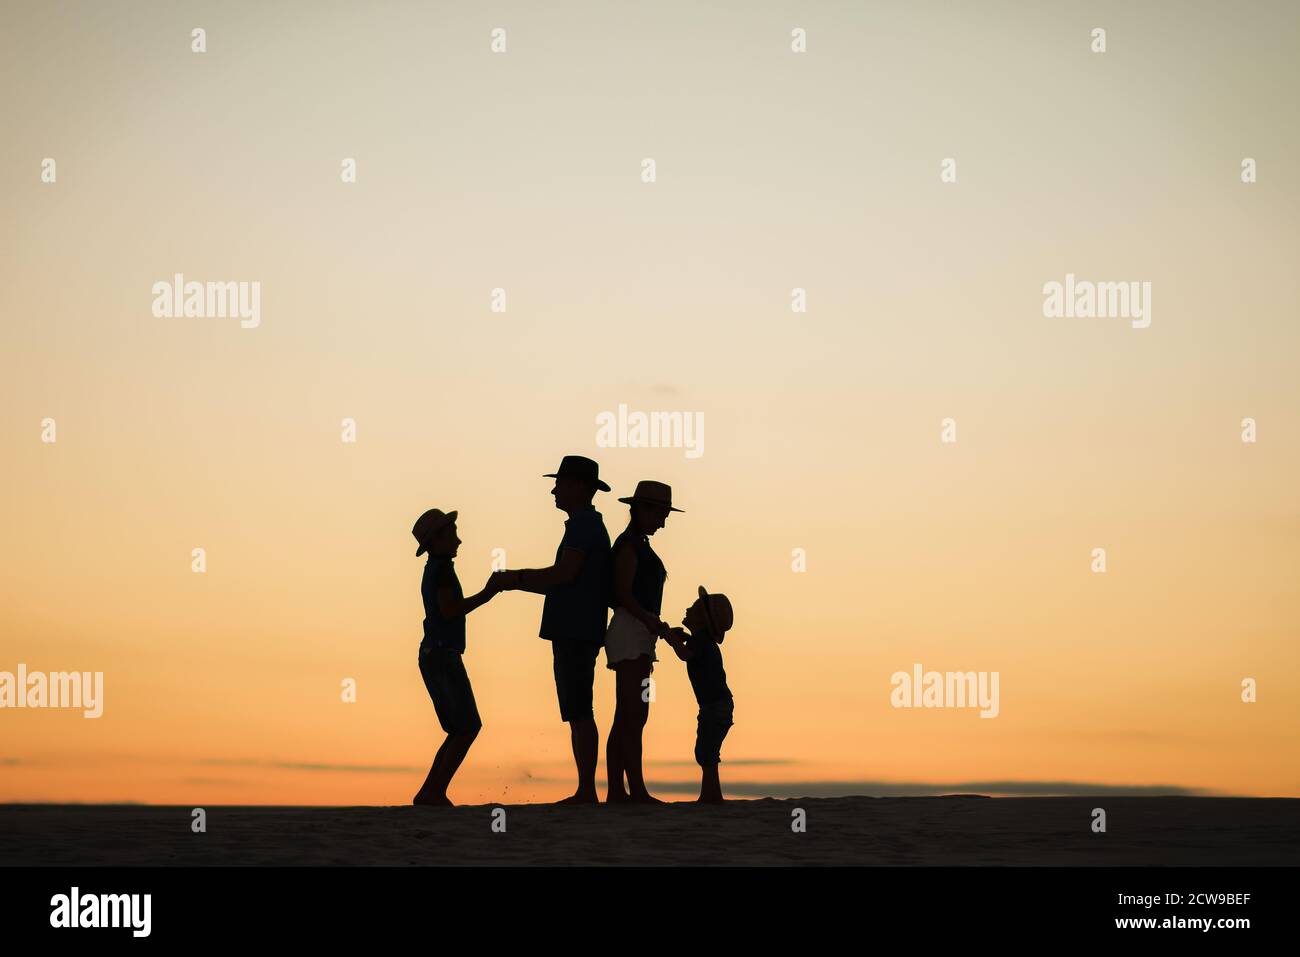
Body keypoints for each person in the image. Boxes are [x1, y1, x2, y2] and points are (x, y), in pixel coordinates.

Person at [496, 455, 611, 804]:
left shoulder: (583, 526)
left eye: (560, 483)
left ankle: (586, 790)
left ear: (578, 487)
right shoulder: (586, 525)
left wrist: (514, 579)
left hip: (576, 629)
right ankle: (586, 789)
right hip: (577, 628)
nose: (553, 490)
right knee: (577, 711)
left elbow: (564, 575)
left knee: (579, 710)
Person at [411, 508, 500, 807]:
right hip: (441, 654)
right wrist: (488, 594)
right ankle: (432, 792)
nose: (459, 540)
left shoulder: (436, 568)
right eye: (452, 534)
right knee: (466, 727)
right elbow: (450, 609)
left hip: (435, 653)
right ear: (436, 540)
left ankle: (432, 791)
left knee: (460, 728)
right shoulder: (442, 570)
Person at [603, 481, 680, 804]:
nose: (663, 522)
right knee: (632, 713)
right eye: (660, 514)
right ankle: (632, 789)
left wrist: (654, 626)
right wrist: (655, 623)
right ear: (643, 510)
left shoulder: (636, 544)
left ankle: (622, 790)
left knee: (631, 713)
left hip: (638, 632)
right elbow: (623, 594)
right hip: (631, 630)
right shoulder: (629, 546)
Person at [663, 586, 736, 803]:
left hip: (713, 706)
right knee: (708, 751)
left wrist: (670, 638)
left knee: (706, 751)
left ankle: (711, 795)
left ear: (702, 619)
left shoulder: (700, 641)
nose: (687, 608)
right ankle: (710, 793)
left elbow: (686, 654)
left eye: (693, 608)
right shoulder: (703, 641)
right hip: (720, 705)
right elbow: (693, 650)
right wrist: (683, 636)